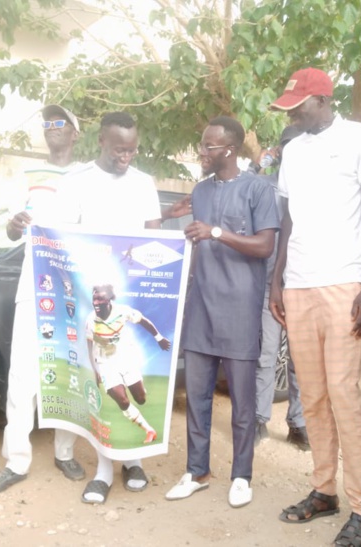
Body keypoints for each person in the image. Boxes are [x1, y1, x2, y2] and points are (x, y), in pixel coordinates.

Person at [268, 67, 361, 546]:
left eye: (299, 105)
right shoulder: (293, 150)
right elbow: (287, 218)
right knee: (312, 396)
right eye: (289, 107)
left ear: (323, 99)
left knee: (343, 395)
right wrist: (277, 280)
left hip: (344, 283)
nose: (293, 113)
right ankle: (323, 490)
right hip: (298, 286)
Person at [56, 111, 189, 504]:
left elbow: (152, 238)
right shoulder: (76, 181)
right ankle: (102, 469)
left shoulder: (143, 183)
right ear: (100, 141)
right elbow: (64, 238)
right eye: (118, 149)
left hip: (130, 297)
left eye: (132, 150)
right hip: (91, 294)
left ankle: (135, 462)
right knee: (104, 393)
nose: (125, 157)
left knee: (140, 394)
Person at [165, 116, 279, 509]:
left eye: (208, 147)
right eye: (202, 145)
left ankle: (241, 475)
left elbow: (265, 246)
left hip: (240, 310)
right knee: (196, 397)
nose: (202, 152)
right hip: (201, 309)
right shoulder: (199, 191)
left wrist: (216, 232)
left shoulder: (258, 189)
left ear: (229, 149)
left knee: (242, 404)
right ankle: (197, 471)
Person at [0, 104, 86, 496]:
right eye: (47, 123)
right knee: (24, 375)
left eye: (60, 122)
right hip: (33, 287)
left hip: (73, 289)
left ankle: (64, 452)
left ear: (75, 132)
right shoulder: (26, 175)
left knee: (69, 370)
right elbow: (12, 234)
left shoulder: (87, 176)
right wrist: (12, 225)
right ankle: (17, 461)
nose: (52, 128)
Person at [249, 126, 309, 451]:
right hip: (267, 286)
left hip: (301, 284)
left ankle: (298, 424)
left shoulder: (313, 189)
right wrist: (259, 163)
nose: (292, 151)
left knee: (301, 360)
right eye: (286, 146)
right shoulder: (264, 187)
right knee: (266, 356)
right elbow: (240, 186)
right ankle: (259, 420)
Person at [86, 283, 171, 444]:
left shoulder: (122, 311)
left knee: (141, 399)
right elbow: (89, 344)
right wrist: (95, 369)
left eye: (100, 298)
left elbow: (143, 321)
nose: (96, 302)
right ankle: (149, 430)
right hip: (105, 363)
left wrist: (158, 338)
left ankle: (136, 385)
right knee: (123, 401)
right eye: (94, 298)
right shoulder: (91, 321)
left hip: (126, 358)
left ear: (110, 299)